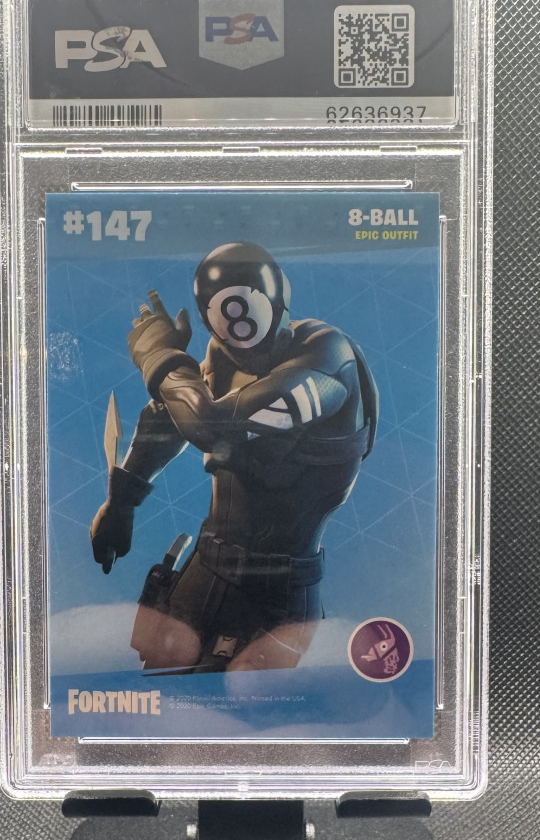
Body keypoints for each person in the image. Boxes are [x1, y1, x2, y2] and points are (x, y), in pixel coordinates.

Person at [90, 241, 378, 673]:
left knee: (252, 697)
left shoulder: (328, 358)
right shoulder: (223, 356)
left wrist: (161, 359)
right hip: (207, 567)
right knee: (163, 678)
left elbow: (211, 426)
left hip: (280, 590)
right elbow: (175, 416)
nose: (239, 332)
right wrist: (123, 498)